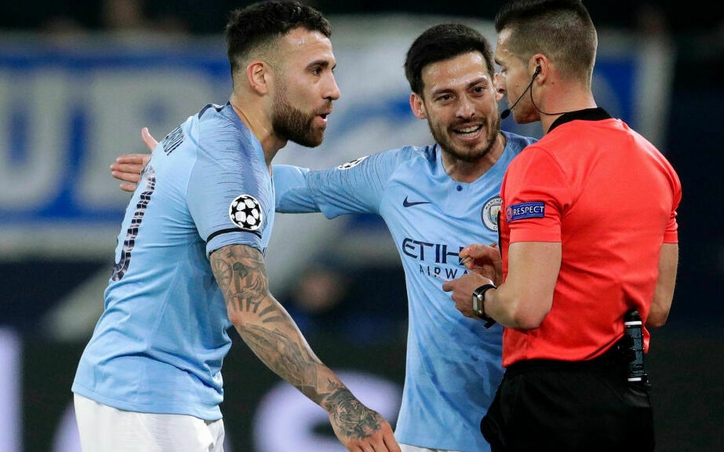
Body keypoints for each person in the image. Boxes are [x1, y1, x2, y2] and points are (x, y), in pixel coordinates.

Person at [111, 23, 538, 452]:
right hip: (427, 439)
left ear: (498, 88)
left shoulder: (539, 173)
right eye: (445, 97)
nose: (465, 109)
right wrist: (193, 171)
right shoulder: (399, 175)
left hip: (533, 424)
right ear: (419, 106)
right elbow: (302, 186)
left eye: (477, 90)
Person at [72, 2, 400, 451]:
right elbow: (248, 307)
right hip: (145, 399)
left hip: (164, 393)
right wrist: (341, 404)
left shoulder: (217, 138)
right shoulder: (227, 165)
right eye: (316, 71)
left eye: (332, 70)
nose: (334, 90)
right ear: (260, 77)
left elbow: (292, 185)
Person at [442, 0, 682, 450]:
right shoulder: (656, 164)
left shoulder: (541, 163)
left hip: (551, 406)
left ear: (539, 67)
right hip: (628, 402)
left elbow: (525, 310)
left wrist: (479, 296)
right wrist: (523, 265)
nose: (498, 84)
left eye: (503, 67)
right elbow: (655, 306)